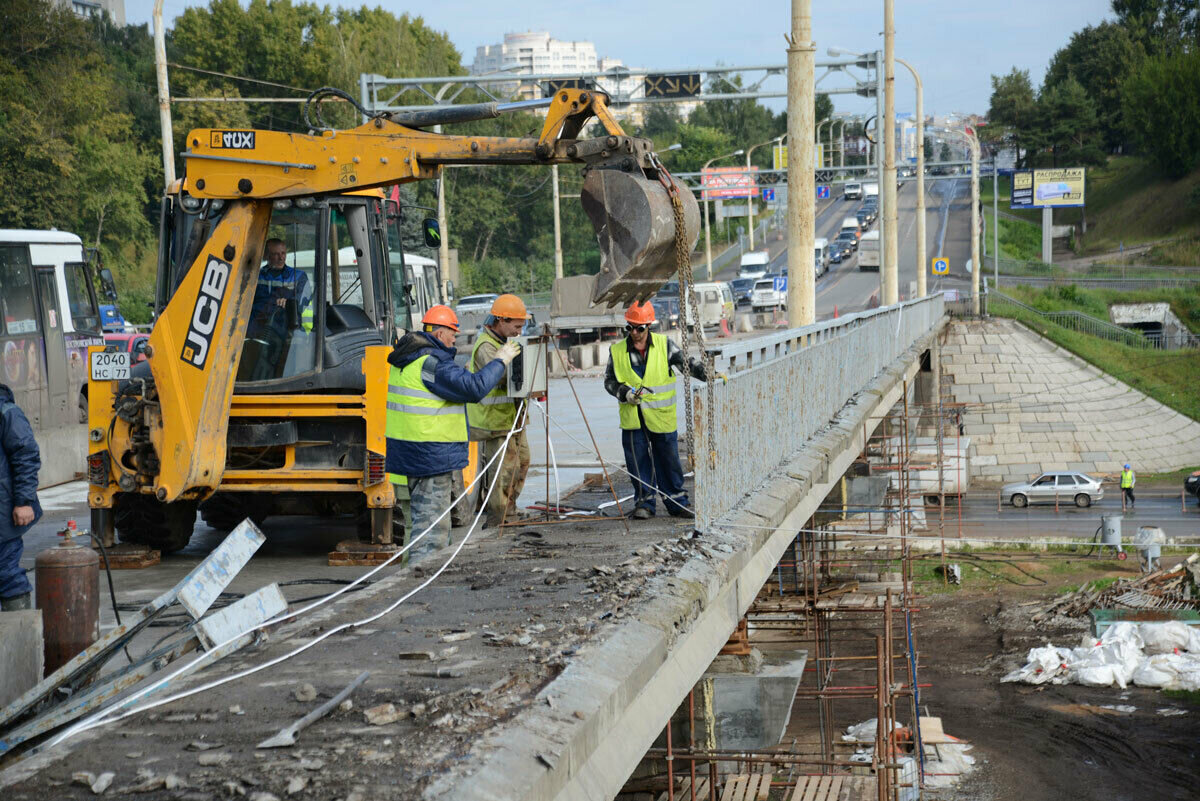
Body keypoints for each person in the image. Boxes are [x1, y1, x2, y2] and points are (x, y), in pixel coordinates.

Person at [385, 305, 519, 562]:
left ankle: (411, 581)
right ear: (437, 333)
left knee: (418, 528)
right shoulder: (431, 364)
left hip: (408, 456)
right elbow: (474, 388)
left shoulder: (406, 360)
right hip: (430, 459)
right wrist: (501, 360)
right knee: (431, 536)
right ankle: (420, 587)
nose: (455, 338)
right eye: (452, 332)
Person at [604, 301, 710, 519]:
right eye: (630, 327)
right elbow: (609, 382)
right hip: (633, 418)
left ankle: (677, 502)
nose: (634, 332)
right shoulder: (617, 351)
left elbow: (686, 365)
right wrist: (624, 393)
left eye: (639, 328)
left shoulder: (664, 345)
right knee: (638, 462)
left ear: (648, 326)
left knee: (668, 460)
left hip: (661, 418)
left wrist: (709, 374)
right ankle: (645, 503)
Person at [467, 294, 533, 528]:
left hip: (513, 419)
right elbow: (501, 376)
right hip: (495, 422)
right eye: (516, 326)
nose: (519, 331)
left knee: (522, 463)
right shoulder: (486, 346)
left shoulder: (504, 343)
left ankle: (510, 509)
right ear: (501, 320)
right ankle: (498, 519)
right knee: (502, 473)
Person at [1, 383, 42, 611]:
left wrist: (24, 501)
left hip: (3, 511)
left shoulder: (6, 413)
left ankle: (19, 643)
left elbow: (26, 455)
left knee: (6, 574)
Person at [247, 238, 313, 379]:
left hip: (288, 338)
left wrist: (290, 302)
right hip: (258, 335)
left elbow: (305, 304)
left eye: (283, 253)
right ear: (267, 256)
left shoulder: (299, 277)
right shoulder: (255, 276)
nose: (281, 257)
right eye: (276, 254)